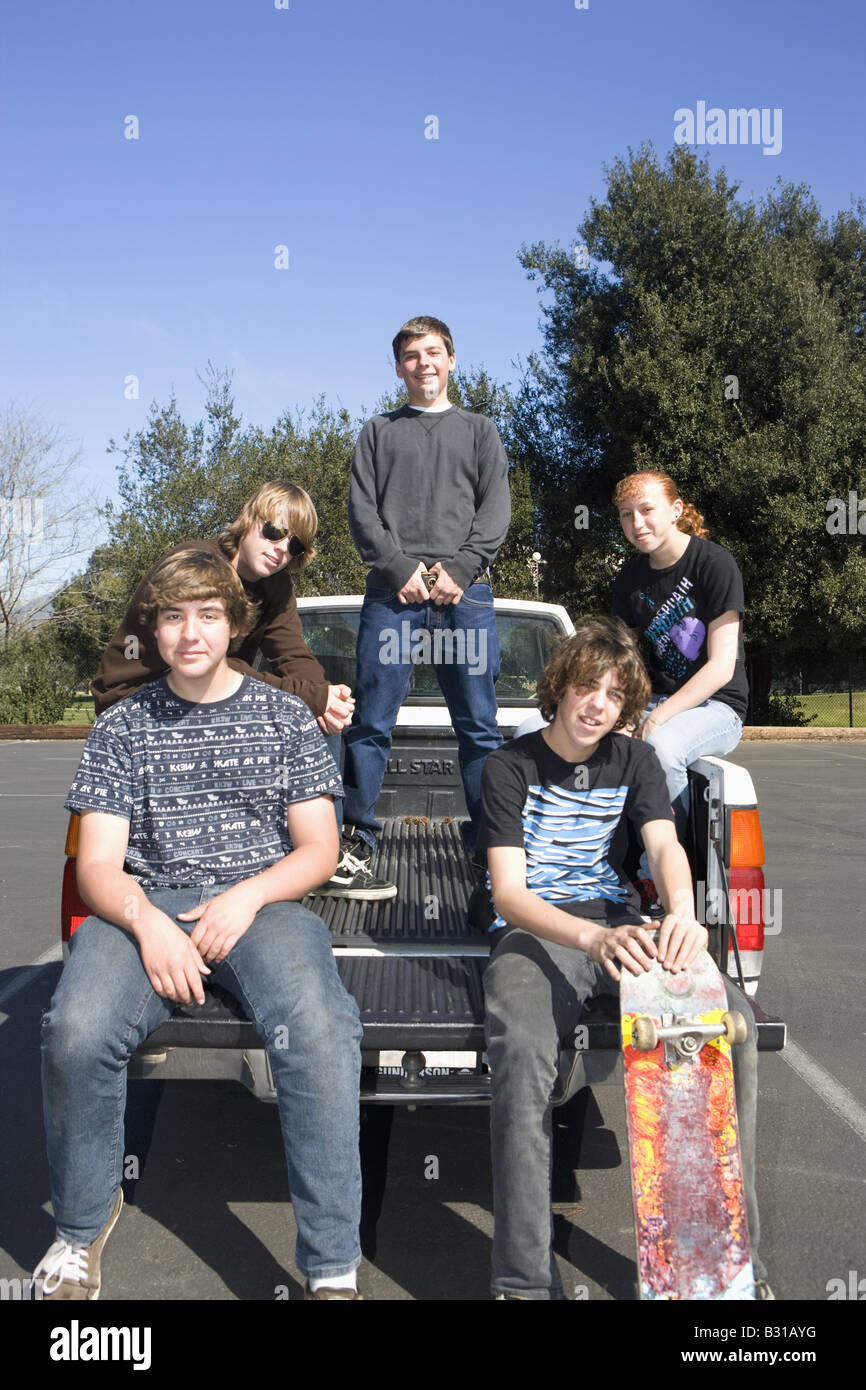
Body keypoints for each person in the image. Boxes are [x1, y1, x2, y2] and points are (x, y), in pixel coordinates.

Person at [35, 548, 364, 1301]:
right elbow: (98, 867)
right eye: (174, 616)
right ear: (153, 631)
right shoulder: (121, 727)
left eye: (208, 616)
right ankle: (80, 1228)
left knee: (318, 1028)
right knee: (75, 1030)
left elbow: (320, 848)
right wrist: (148, 925)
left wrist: (245, 898)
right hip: (145, 905)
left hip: (262, 904)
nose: (191, 633)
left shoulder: (284, 716)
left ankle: (332, 1267)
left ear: (233, 624)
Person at [477, 618, 766, 1300]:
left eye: (613, 693)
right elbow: (510, 895)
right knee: (520, 1047)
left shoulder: (634, 761)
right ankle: (522, 1282)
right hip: (538, 929)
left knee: (733, 1027)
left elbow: (664, 847)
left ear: (627, 705)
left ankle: (724, 1270)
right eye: (585, 686)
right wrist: (591, 941)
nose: (598, 703)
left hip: (617, 919)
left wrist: (683, 915)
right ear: (559, 688)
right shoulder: (508, 765)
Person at [320, 315, 512, 900]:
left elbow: (495, 509)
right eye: (411, 355)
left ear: (452, 360)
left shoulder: (480, 431)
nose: (423, 363)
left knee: (478, 728)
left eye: (434, 352)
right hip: (392, 597)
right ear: (399, 366)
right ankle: (356, 842)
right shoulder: (377, 432)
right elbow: (362, 512)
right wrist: (399, 569)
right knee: (371, 723)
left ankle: (489, 851)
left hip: (465, 598)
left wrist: (461, 570)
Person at [91, 480, 355, 737]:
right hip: (134, 696)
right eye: (275, 531)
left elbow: (293, 654)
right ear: (250, 519)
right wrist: (312, 697)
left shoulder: (276, 586)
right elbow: (213, 666)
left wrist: (327, 700)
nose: (282, 549)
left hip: (199, 694)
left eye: (294, 545)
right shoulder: (199, 566)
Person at [611, 470, 748, 877]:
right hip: (652, 699)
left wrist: (658, 716)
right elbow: (621, 660)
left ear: (675, 510)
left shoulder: (715, 564)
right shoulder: (629, 577)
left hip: (717, 706)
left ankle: (666, 877)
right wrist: (616, 714)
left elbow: (722, 666)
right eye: (625, 515)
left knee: (662, 749)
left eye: (647, 510)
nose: (637, 524)